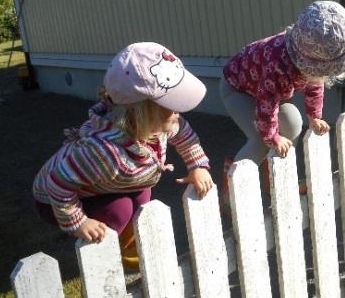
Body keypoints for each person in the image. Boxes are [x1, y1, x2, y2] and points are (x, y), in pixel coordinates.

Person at [32, 42, 214, 271]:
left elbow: (185, 136)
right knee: (120, 210)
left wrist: (197, 165)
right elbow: (57, 184)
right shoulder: (102, 152)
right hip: (56, 197)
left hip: (112, 181)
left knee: (141, 196)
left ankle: (130, 243)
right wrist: (78, 222)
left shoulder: (160, 123)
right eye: (170, 103)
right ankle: (104, 261)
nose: (178, 110)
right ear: (139, 111)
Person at [220, 0, 345, 166]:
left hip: (264, 90)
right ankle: (233, 180)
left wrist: (314, 116)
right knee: (260, 141)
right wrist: (272, 137)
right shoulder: (278, 67)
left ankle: (275, 174)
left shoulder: (307, 53)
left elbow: (315, 84)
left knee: (293, 123)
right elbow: (266, 104)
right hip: (237, 89)